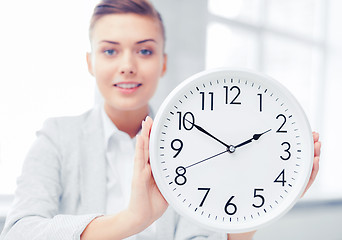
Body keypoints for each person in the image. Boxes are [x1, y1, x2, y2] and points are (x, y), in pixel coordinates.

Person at [0, 0, 321, 239]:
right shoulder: (58, 137)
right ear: (90, 62)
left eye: (145, 51)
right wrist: (131, 220)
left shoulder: (192, 146)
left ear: (163, 63)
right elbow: (18, 232)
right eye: (110, 51)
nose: (127, 65)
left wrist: (250, 217)